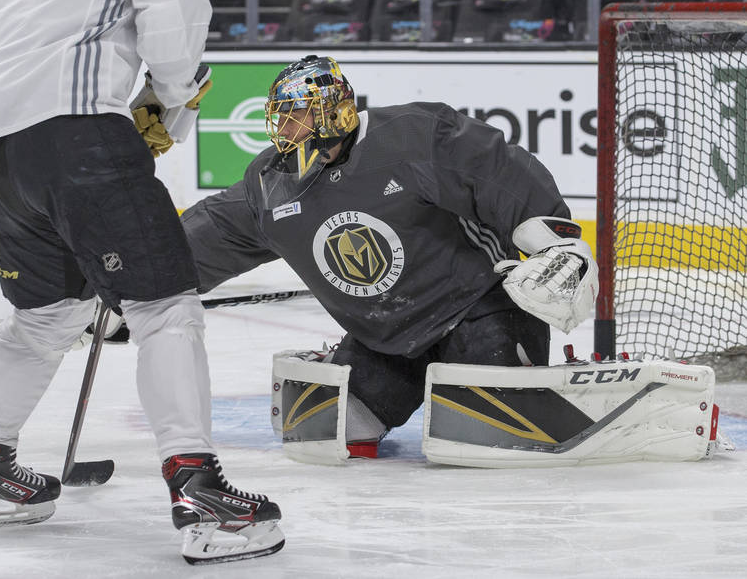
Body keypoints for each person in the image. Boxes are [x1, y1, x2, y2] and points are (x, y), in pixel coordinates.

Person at [0, 0, 283, 565]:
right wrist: (171, 101)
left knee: (49, 313)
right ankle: (198, 489)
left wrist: (132, 113)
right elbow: (176, 18)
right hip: (77, 138)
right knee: (166, 306)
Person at [181, 54, 599, 456]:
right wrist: (145, 281)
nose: (287, 128)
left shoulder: (412, 136)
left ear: (336, 112)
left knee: (489, 433)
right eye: (282, 116)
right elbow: (215, 231)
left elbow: (496, 170)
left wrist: (556, 241)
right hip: (384, 340)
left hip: (479, 312)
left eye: (298, 113)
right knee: (327, 430)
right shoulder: (271, 184)